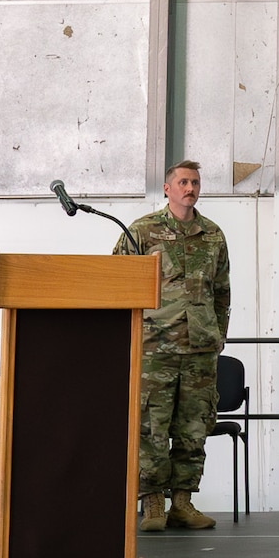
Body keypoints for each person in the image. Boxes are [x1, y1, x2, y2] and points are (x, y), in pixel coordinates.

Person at [114, 160, 230, 533]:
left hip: (200, 349)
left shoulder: (212, 235)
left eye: (194, 182)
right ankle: (152, 504)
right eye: (182, 182)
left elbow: (222, 291)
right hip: (154, 347)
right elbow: (116, 284)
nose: (190, 188)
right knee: (151, 426)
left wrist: (218, 334)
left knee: (193, 427)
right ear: (167, 189)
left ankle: (182, 503)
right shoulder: (141, 231)